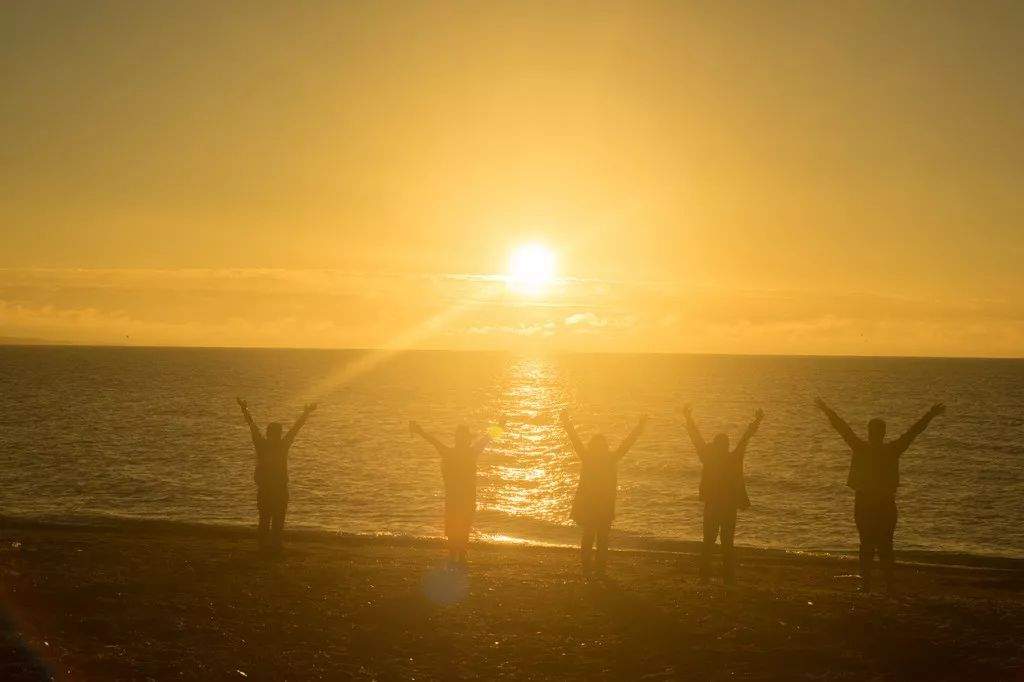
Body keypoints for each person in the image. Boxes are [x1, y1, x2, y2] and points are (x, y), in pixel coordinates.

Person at [814, 398, 945, 592]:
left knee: (867, 543)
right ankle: (887, 584)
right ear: (883, 433)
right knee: (885, 544)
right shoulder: (892, 449)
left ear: (870, 433)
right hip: (884, 503)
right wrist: (930, 415)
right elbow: (913, 432)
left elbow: (843, 428)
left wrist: (826, 409)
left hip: (866, 502)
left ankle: (867, 583)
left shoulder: (862, 448)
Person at [683, 405, 763, 585]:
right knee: (727, 542)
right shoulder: (733, 458)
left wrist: (688, 418)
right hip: (728, 507)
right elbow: (745, 439)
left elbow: (696, 439)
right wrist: (757, 421)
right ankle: (727, 575)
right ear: (726, 446)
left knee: (708, 541)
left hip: (712, 506)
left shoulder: (708, 457)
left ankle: (704, 574)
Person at [560, 410, 647, 577]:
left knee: (597, 538)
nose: (600, 448)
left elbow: (626, 444)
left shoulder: (594, 458)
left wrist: (639, 427)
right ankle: (593, 568)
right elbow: (576, 440)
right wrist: (566, 423)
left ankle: (594, 568)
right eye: (599, 445)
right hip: (598, 506)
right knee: (596, 537)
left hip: (600, 506)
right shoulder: (603, 458)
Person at [410, 417, 505, 566]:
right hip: (466, 496)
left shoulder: (450, 453)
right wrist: (500, 426)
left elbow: (433, 441)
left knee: (454, 522)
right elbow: (486, 438)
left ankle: (455, 551)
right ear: (466, 440)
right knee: (464, 523)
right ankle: (460, 553)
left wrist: (419, 431)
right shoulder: (471, 452)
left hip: (454, 496)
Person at [237, 398, 317, 551]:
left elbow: (252, 425)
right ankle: (274, 544)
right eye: (279, 433)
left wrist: (244, 409)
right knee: (276, 518)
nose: (279, 435)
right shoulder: (281, 445)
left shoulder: (262, 444)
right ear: (278, 434)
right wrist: (306, 413)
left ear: (268, 433)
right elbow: (295, 429)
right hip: (277, 488)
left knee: (266, 518)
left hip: (266, 488)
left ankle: (265, 545)